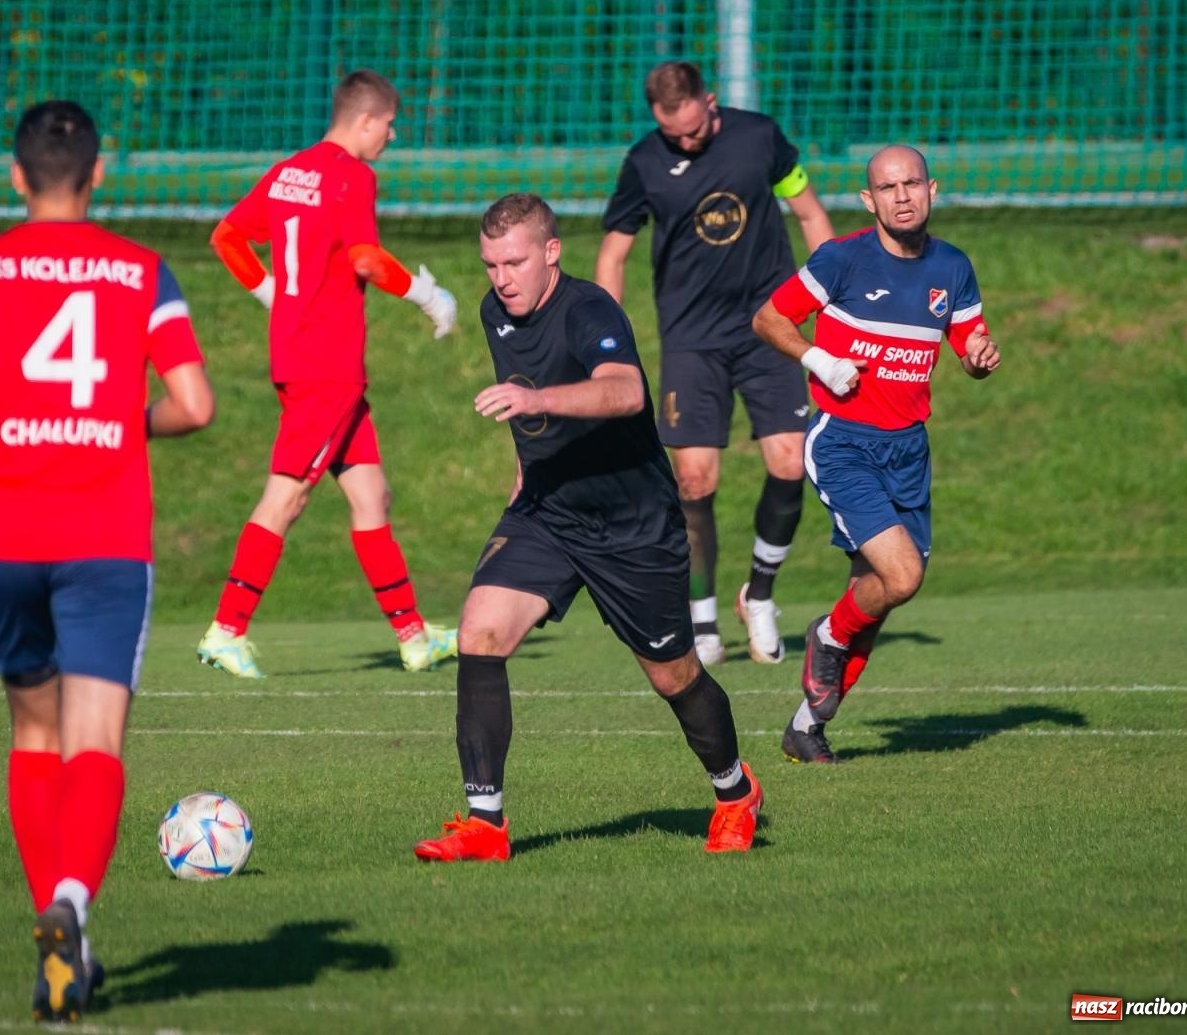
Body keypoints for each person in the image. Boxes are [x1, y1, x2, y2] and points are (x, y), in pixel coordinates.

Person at [0, 100, 215, 1021]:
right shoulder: (141, 271)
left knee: (34, 735)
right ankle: (72, 902)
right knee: (94, 741)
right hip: (104, 533)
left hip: (2, 533)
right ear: (99, 174)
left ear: (16, 177)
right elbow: (195, 403)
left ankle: (59, 932)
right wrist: (123, 422)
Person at [413, 193, 762, 863]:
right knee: (480, 633)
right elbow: (522, 404)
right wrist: (523, 470)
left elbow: (626, 391)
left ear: (551, 253)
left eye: (514, 263)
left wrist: (538, 399)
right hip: (550, 510)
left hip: (633, 524)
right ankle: (485, 825)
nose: (501, 279)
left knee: (673, 675)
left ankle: (734, 792)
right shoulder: (495, 312)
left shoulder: (589, 310)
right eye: (490, 265)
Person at [197, 69, 460, 681]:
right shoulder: (353, 176)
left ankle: (414, 637)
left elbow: (227, 237)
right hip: (327, 365)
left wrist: (272, 293)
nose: (392, 136)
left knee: (372, 496)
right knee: (287, 496)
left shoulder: (288, 171)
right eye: (389, 124)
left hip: (305, 358)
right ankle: (226, 629)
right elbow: (365, 258)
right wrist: (426, 294)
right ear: (365, 121)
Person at [752, 145, 1001, 764]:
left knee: (878, 594)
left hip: (908, 449)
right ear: (869, 200)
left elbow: (968, 342)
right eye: (888, 188)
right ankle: (826, 634)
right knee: (902, 577)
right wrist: (819, 359)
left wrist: (978, 356)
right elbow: (768, 319)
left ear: (931, 189)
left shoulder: (953, 266)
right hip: (843, 442)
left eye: (911, 183)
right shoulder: (842, 259)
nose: (902, 196)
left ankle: (806, 726)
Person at [595, 60, 834, 668]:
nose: (685, 141)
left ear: (711, 100)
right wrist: (604, 344)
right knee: (695, 481)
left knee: (790, 461)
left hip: (769, 328)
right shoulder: (644, 162)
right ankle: (701, 620)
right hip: (691, 341)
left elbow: (809, 213)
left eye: (694, 129)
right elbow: (614, 253)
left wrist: (837, 303)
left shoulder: (760, 137)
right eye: (672, 133)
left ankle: (760, 595)